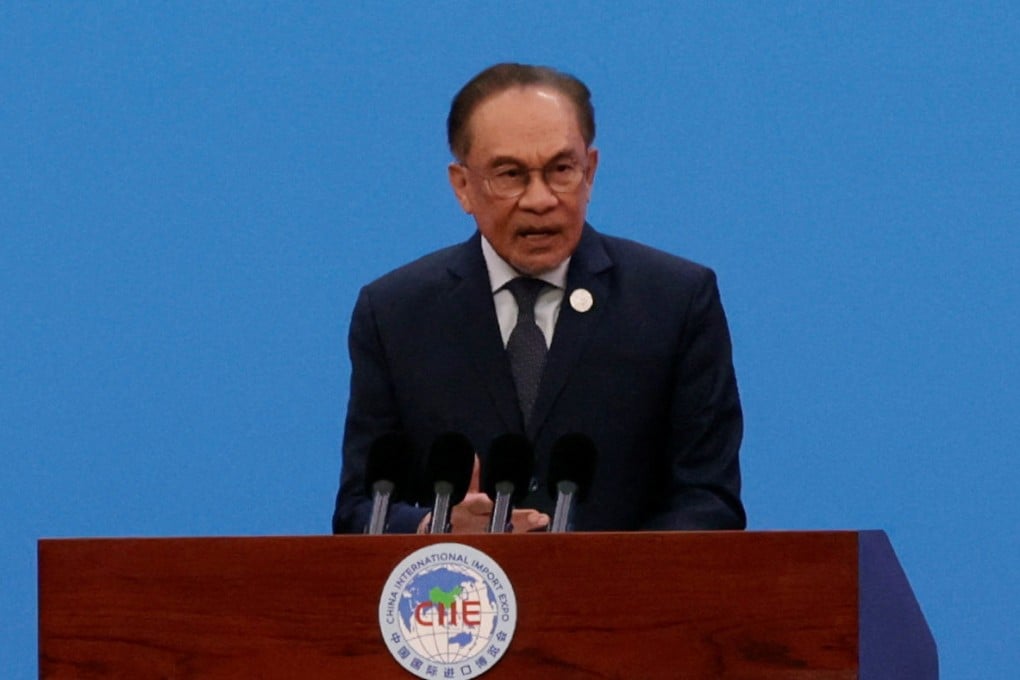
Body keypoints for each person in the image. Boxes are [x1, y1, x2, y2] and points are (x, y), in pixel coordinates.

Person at [332, 63, 745, 534]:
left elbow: (709, 500)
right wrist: (436, 527)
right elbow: (360, 509)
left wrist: (612, 578)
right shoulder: (396, 313)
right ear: (462, 185)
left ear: (590, 172)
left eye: (561, 170)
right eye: (510, 174)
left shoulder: (674, 301)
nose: (540, 199)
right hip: (460, 601)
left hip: (620, 603)